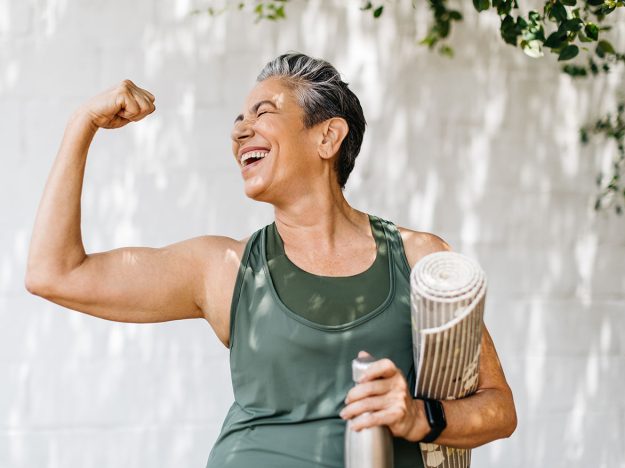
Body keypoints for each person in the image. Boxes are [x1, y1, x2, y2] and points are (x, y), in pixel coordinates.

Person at [25, 52, 517, 468]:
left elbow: (498, 409)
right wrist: (81, 125)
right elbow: (54, 274)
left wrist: (418, 417)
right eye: (238, 121)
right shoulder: (224, 267)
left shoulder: (420, 258)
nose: (241, 131)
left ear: (327, 137)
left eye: (262, 113)